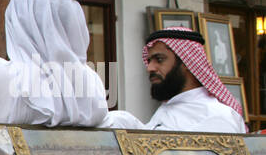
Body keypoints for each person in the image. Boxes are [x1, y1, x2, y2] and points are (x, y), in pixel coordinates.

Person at [102, 28, 246, 133]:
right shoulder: (171, 107)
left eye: (159, 59)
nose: (150, 68)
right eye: (149, 60)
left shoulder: (217, 116)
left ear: (187, 63)